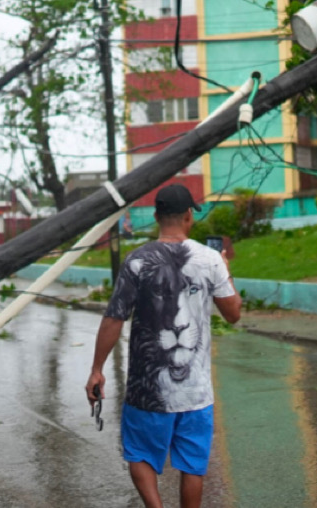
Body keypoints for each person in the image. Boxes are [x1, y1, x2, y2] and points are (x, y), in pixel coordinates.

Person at [85, 184, 242, 508]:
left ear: (156, 216)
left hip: (146, 391)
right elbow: (233, 315)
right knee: (192, 467)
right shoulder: (211, 259)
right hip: (196, 394)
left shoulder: (136, 261)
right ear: (189, 216)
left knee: (140, 454)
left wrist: (97, 369)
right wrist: (228, 273)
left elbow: (114, 318)